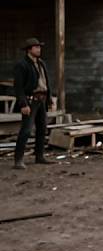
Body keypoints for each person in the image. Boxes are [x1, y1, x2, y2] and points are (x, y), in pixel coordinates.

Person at [13, 37, 54, 169]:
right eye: (36, 47)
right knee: (26, 130)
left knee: (42, 129)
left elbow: (46, 82)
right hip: (30, 100)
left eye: (39, 47)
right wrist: (23, 104)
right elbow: (18, 86)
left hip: (41, 99)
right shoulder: (22, 65)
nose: (39, 49)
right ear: (29, 50)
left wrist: (49, 100)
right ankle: (18, 160)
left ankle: (39, 156)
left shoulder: (41, 63)